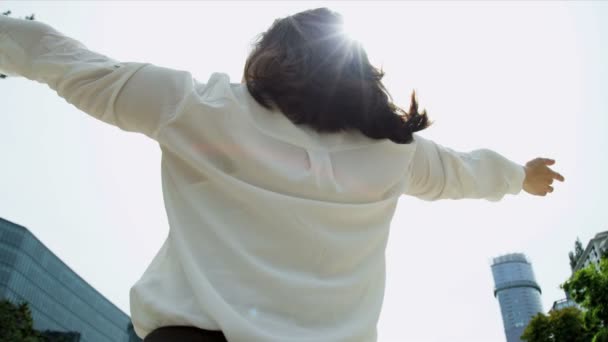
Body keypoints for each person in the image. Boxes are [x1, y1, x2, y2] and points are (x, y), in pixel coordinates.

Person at [0, 7, 564, 342]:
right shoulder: (394, 155)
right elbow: (465, 173)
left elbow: (67, 61)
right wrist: (521, 175)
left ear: (268, 60)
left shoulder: (202, 108)